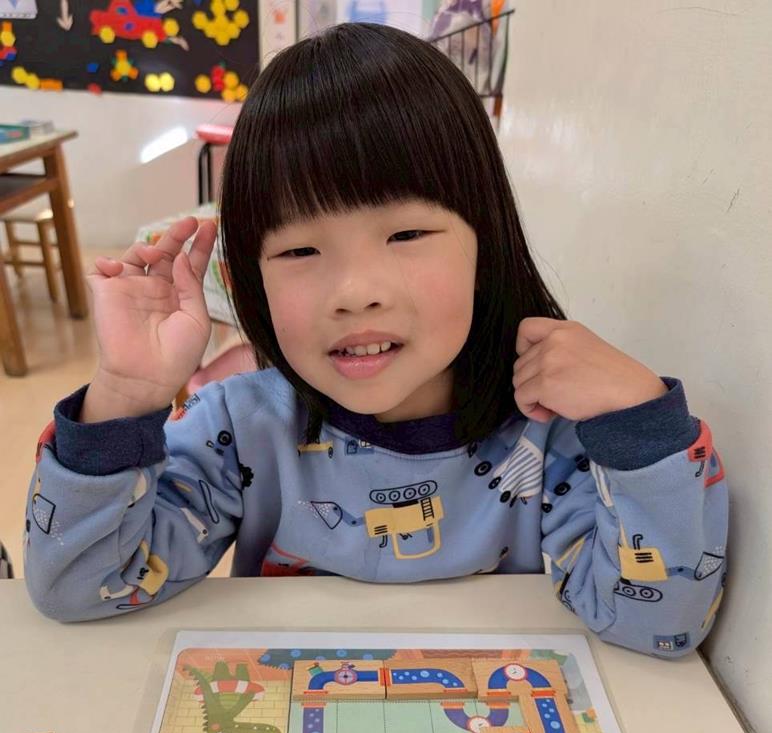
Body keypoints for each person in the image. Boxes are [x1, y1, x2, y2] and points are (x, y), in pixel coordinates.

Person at [24, 23, 728, 658]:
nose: (355, 291)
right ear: (251, 278)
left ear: (486, 243)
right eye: (300, 250)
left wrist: (640, 426)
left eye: (407, 233)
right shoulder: (237, 430)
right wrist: (125, 395)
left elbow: (655, 623)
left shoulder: (548, 432)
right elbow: (81, 588)